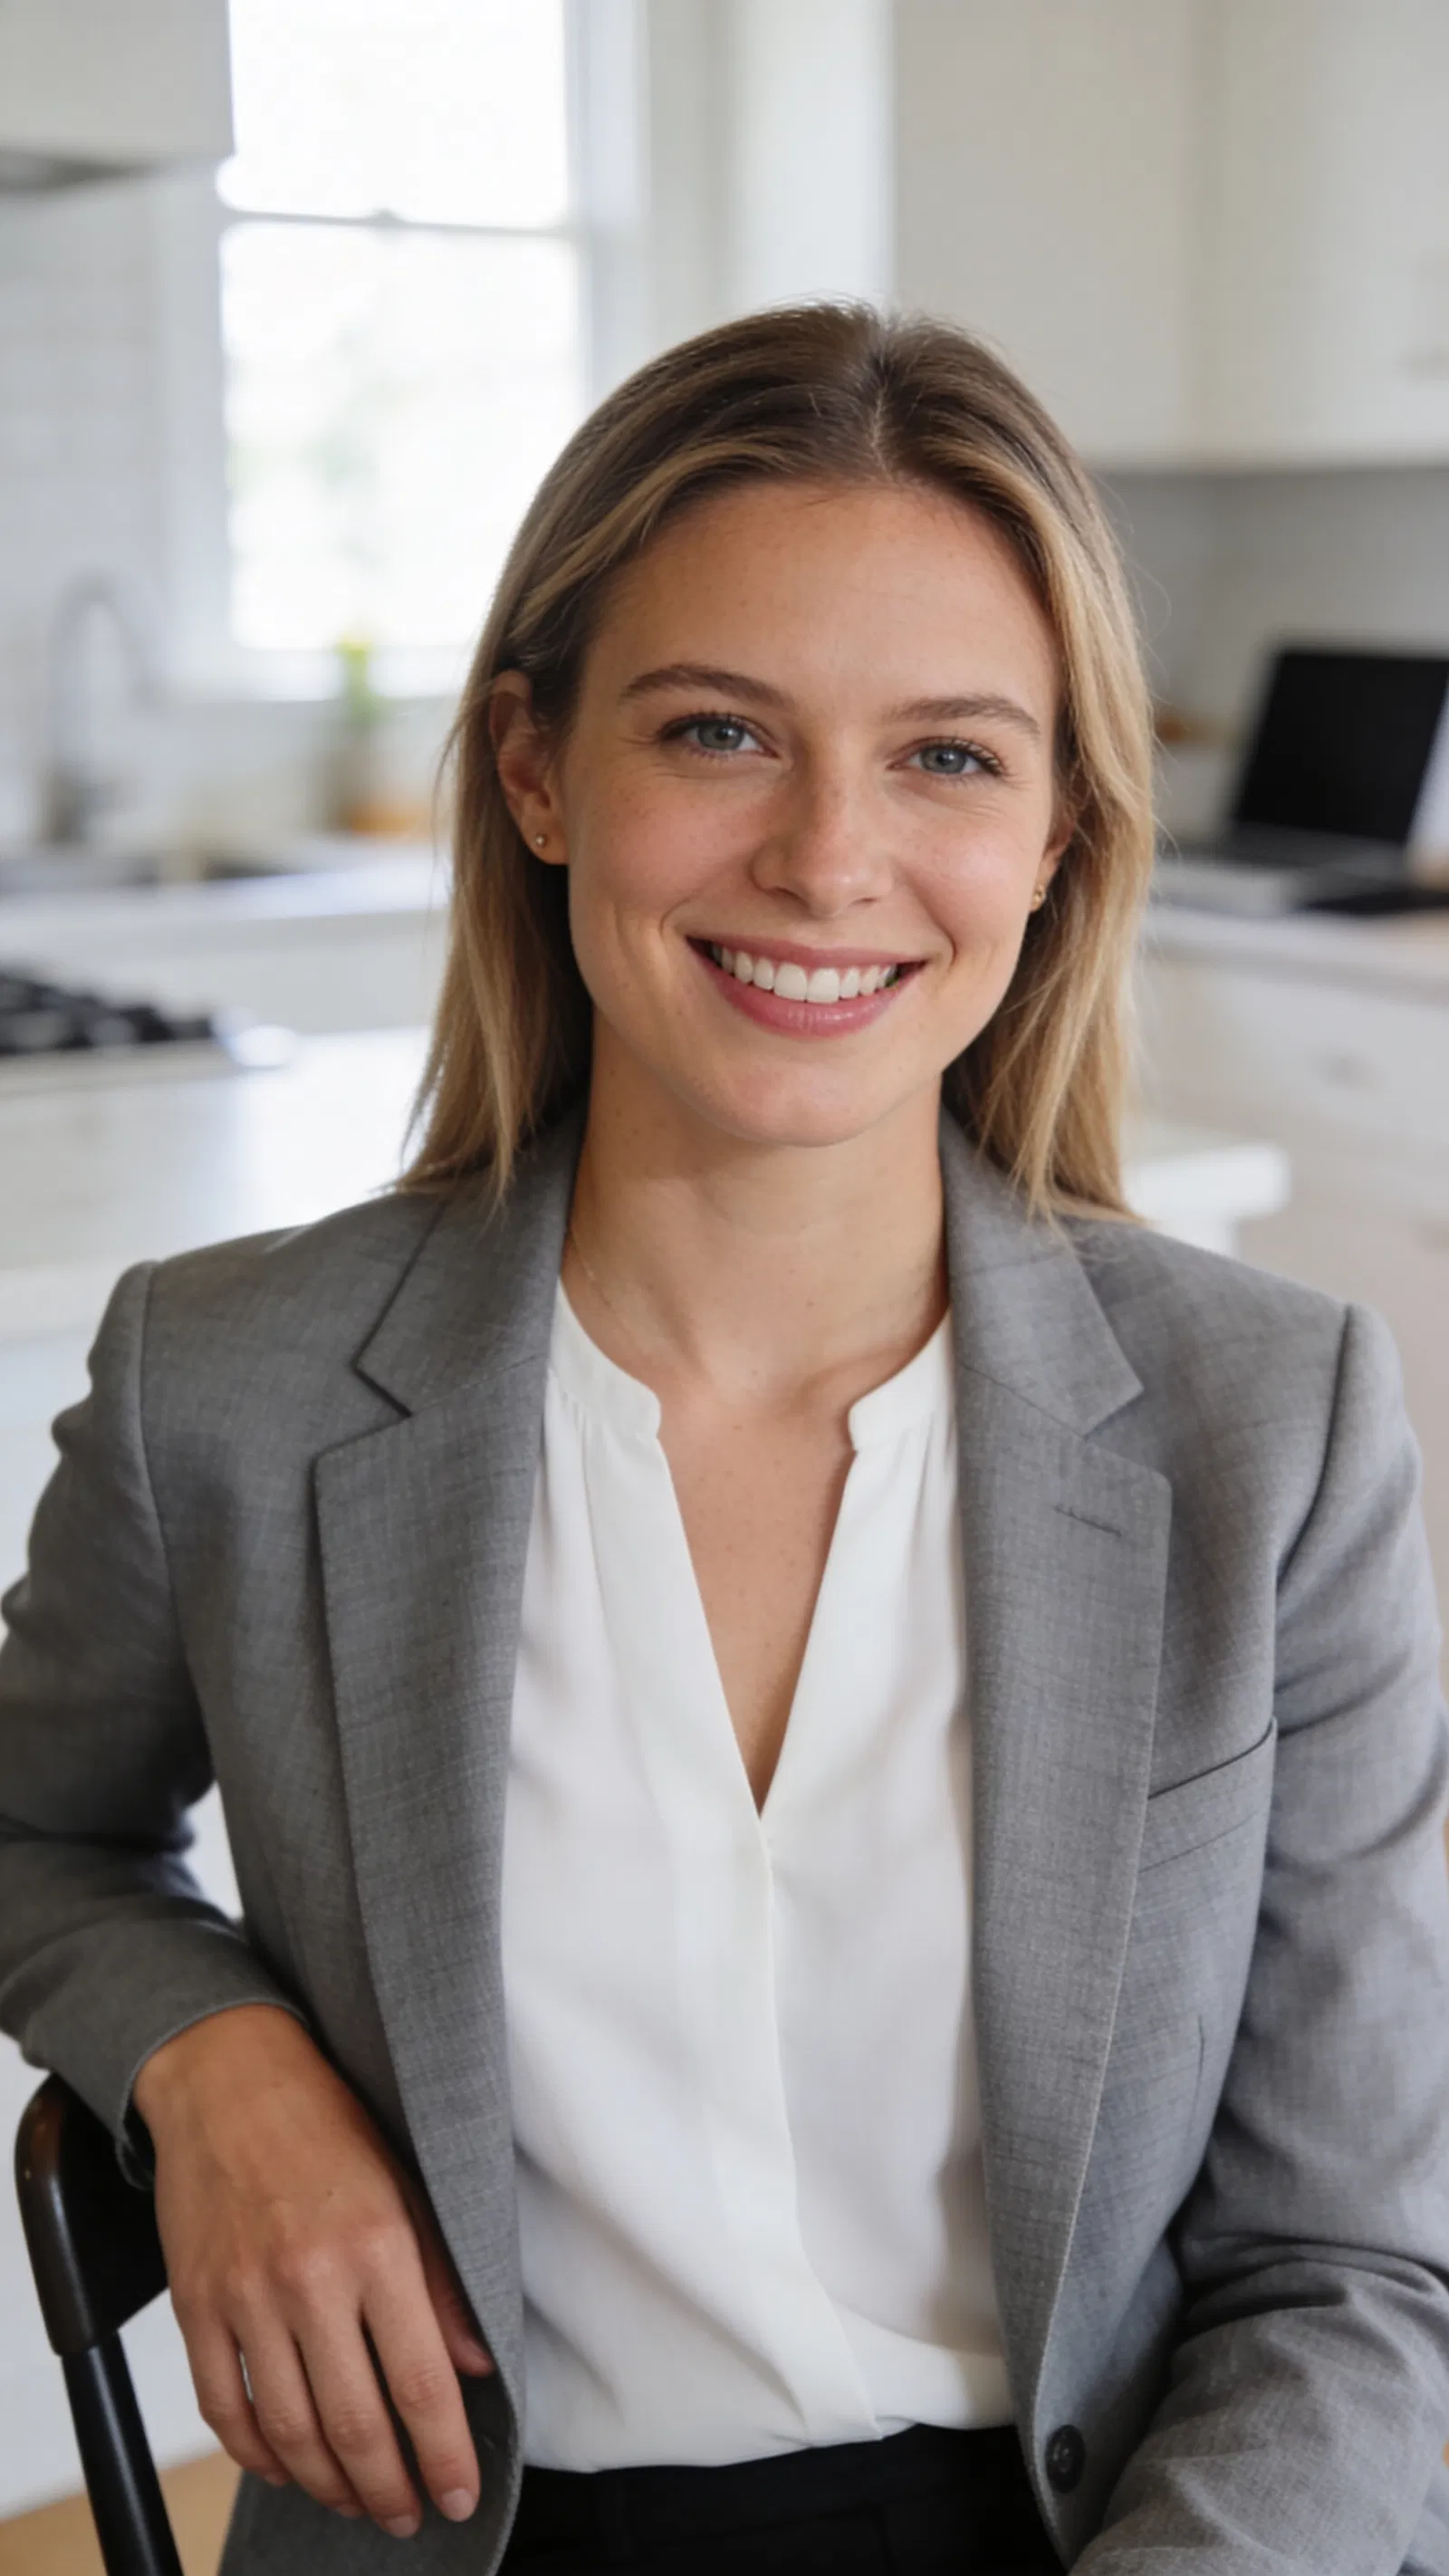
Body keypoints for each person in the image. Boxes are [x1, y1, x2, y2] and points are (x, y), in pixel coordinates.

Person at [2, 304, 1448, 2576]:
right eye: (715, 733)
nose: (825, 858)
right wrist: (209, 2058)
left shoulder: (1276, 1433)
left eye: (948, 760)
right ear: (538, 772)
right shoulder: (233, 1383)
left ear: (1061, 827)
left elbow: (1352, 2280)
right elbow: (33, 1828)